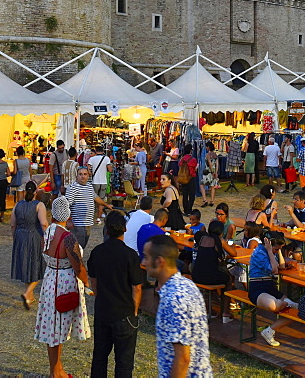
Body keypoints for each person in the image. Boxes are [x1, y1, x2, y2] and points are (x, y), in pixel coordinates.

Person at [142, 234, 213, 378]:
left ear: (159, 261)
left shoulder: (174, 300)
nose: (143, 262)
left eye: (146, 257)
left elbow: (182, 359)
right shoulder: (187, 285)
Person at [35, 196, 90, 378]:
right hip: (64, 283)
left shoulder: (48, 232)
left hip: (50, 279)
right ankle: (56, 372)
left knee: (52, 330)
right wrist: (88, 282)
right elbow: (78, 267)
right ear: (68, 214)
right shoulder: (67, 238)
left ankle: (56, 370)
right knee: (59, 329)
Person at [88, 210, 145, 378]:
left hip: (103, 310)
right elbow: (137, 287)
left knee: (100, 356)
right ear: (125, 230)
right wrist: (134, 311)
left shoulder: (97, 252)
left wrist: (100, 297)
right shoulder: (130, 255)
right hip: (124, 313)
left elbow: (94, 281)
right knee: (124, 361)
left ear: (106, 230)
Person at [248, 232, 298, 348]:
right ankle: (286, 303)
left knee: (298, 310)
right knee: (274, 306)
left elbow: (281, 266)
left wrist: (278, 250)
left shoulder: (272, 251)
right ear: (269, 245)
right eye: (277, 249)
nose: (277, 251)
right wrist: (270, 251)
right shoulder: (260, 252)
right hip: (258, 287)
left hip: (269, 286)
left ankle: (270, 330)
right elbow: (275, 270)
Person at [12, 181, 48, 309]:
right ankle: (27, 293)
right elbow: (43, 223)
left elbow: (13, 224)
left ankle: (30, 296)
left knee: (25, 265)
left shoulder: (17, 205)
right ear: (35, 191)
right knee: (38, 266)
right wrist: (48, 237)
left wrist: (14, 236)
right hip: (34, 236)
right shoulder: (39, 205)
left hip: (20, 236)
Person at [66, 166, 113, 248]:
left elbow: (96, 197)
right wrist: (68, 220)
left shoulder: (89, 186)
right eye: (80, 174)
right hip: (78, 224)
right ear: (77, 176)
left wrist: (107, 205)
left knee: (82, 247)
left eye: (85, 174)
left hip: (87, 223)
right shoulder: (73, 187)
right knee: (76, 248)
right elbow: (66, 204)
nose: (83, 176)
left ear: (88, 176)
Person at [177, 146, 199, 214]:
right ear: (190, 151)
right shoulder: (193, 159)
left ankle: (185, 209)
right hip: (191, 178)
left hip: (183, 178)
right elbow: (195, 168)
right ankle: (189, 210)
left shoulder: (182, 159)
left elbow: (179, 165)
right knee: (192, 195)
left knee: (185, 195)